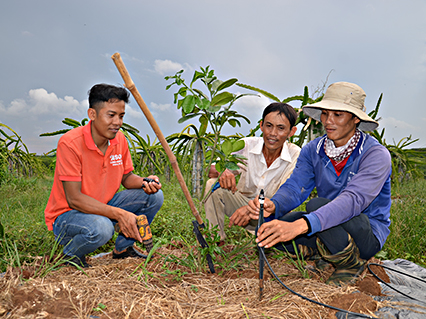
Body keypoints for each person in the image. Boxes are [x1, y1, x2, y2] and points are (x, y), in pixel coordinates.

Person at [249, 82, 391, 286]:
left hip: (364, 230)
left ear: (355, 119)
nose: (328, 121)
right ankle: (322, 252)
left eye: (338, 115)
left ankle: (350, 264)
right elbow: (296, 187)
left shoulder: (375, 155)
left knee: (315, 207)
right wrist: (275, 204)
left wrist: (302, 225)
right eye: (325, 113)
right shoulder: (313, 150)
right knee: (269, 227)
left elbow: (353, 201)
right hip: (325, 223)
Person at [44, 84, 164, 268]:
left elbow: (126, 178)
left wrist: (145, 182)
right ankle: (70, 254)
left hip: (104, 207)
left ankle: (123, 249)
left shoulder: (119, 140)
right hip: (69, 216)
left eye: (121, 116)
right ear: (92, 114)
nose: (117, 122)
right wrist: (120, 214)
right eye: (111, 115)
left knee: (154, 196)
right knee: (102, 228)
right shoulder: (70, 143)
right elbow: (74, 199)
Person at [204, 103, 301, 242]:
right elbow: (211, 170)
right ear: (261, 125)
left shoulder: (296, 155)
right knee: (213, 185)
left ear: (291, 131)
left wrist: (253, 209)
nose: (273, 133)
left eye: (281, 128)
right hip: (241, 205)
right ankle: (214, 241)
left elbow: (287, 195)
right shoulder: (247, 145)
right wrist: (223, 171)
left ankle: (264, 234)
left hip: (273, 213)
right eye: (269, 126)